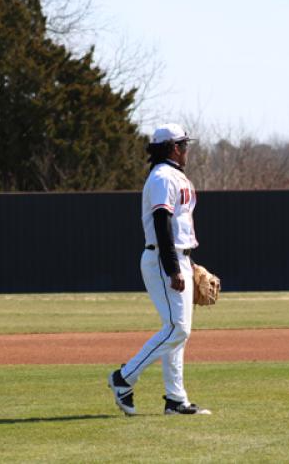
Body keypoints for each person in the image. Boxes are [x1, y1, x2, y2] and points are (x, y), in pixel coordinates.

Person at [107, 123, 211, 416]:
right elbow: (162, 224)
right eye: (184, 144)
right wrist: (173, 267)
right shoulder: (162, 177)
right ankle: (123, 377)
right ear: (173, 148)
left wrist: (186, 263)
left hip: (179, 258)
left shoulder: (176, 176)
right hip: (163, 259)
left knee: (176, 330)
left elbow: (178, 225)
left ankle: (176, 400)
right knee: (178, 329)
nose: (187, 149)